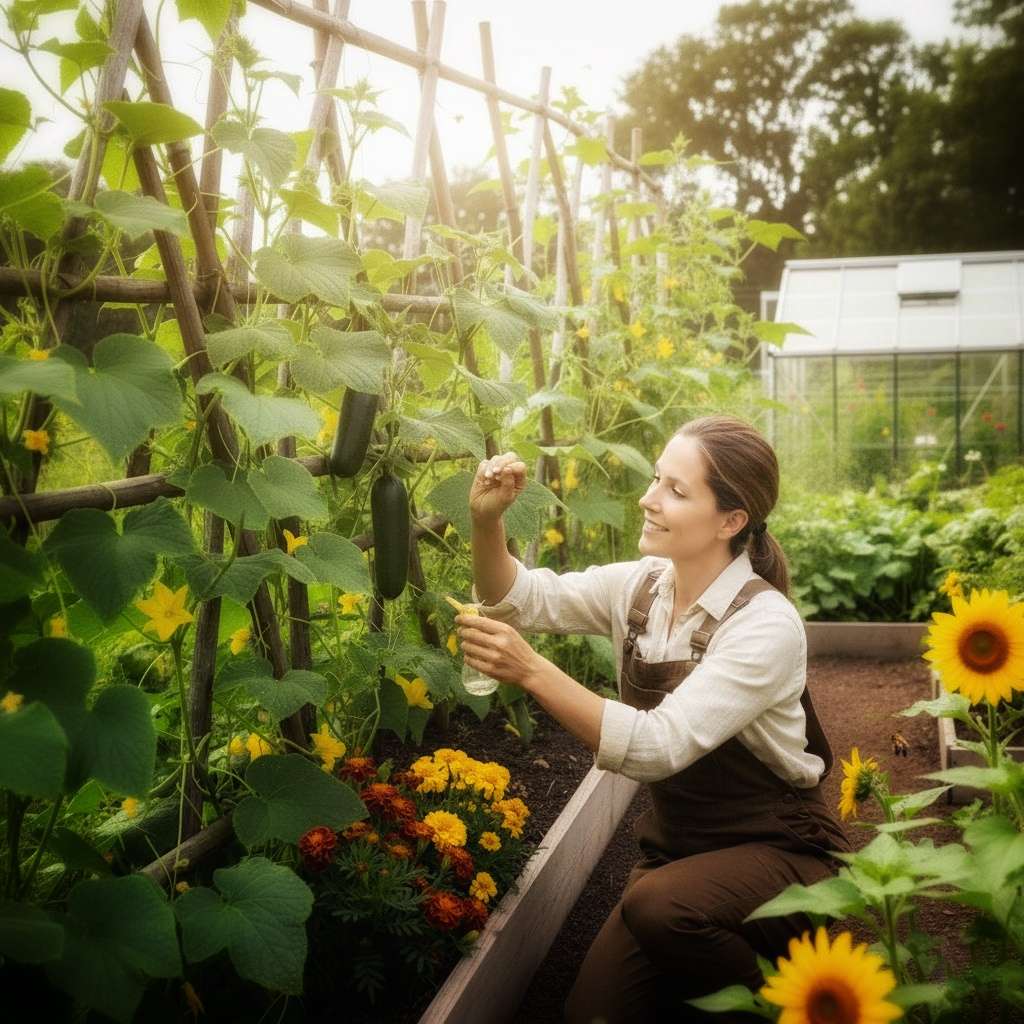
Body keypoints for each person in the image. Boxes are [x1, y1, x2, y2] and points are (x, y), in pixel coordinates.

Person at [453, 413, 854, 1024]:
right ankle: (705, 959)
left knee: (663, 911)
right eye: (656, 480)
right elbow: (519, 598)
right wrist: (487, 521)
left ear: (731, 520)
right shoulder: (641, 589)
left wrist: (531, 670)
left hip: (783, 854)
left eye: (675, 489)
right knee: (591, 1014)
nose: (649, 499)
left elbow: (655, 747)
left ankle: (792, 1001)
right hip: (678, 855)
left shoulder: (764, 625)